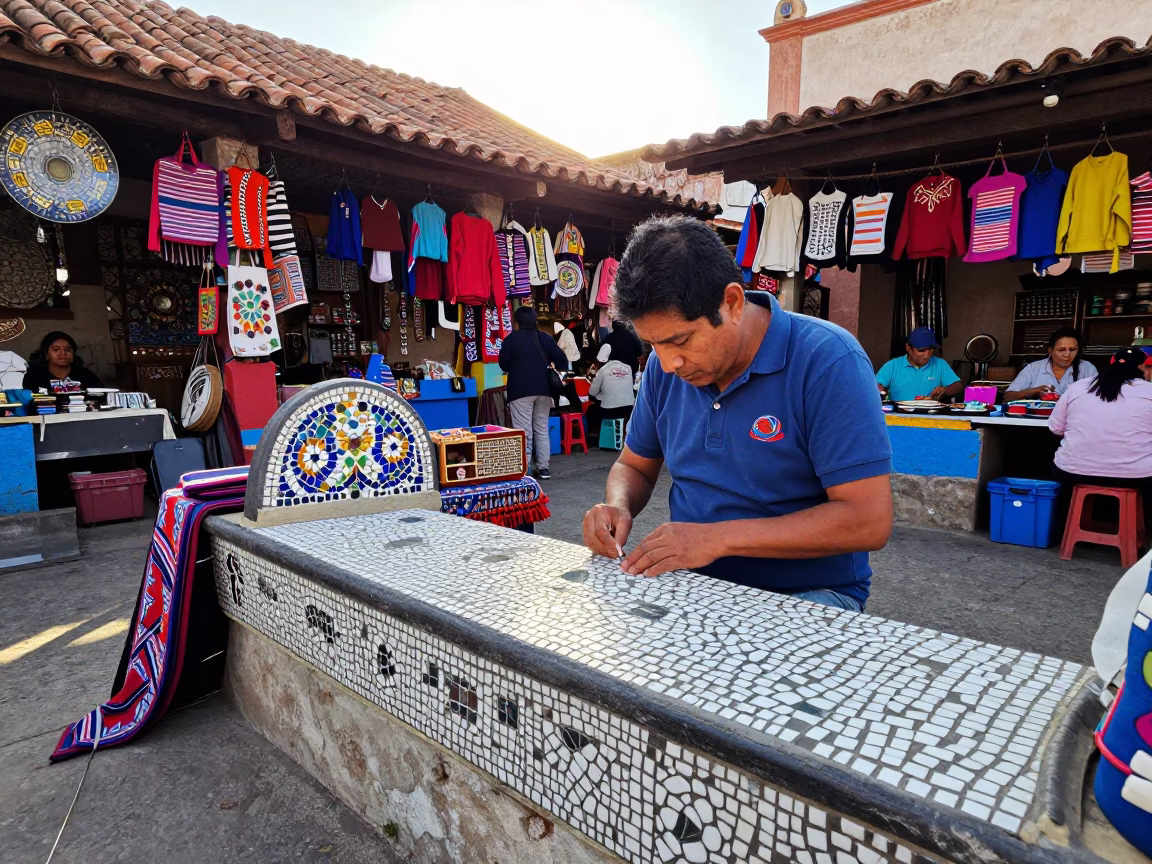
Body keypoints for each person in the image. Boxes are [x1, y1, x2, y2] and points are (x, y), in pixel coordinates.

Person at [581, 215, 893, 612]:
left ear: (731, 303)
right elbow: (635, 466)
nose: (669, 361)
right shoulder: (664, 368)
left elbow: (868, 519)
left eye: (680, 340)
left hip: (809, 595)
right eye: (651, 344)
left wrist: (715, 539)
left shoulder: (827, 360)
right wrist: (618, 504)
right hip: (692, 584)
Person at [1048, 346, 1152, 491]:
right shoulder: (1149, 391)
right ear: (1145, 369)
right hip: (1138, 476)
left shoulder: (1077, 387)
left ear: (1111, 364)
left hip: (1072, 472)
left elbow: (1056, 428)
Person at [498, 306, 569, 480]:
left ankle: (525, 468)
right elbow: (562, 359)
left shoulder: (511, 339)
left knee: (523, 431)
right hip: (544, 390)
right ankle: (544, 468)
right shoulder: (545, 337)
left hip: (520, 390)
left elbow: (503, 365)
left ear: (517, 322)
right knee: (541, 428)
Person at [1004, 326, 1097, 401]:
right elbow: (1008, 396)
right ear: (1050, 350)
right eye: (1061, 349)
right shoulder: (1033, 368)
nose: (1067, 354)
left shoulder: (1088, 368)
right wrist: (1037, 390)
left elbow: (1099, 399)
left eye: (1072, 350)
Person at [874, 327, 962, 402]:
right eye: (921, 350)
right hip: (900, 416)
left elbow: (958, 386)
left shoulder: (940, 364)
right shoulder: (892, 366)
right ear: (908, 348)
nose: (927, 355)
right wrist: (878, 389)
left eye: (931, 349)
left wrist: (945, 390)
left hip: (932, 417)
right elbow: (876, 387)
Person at [585, 344, 635, 447]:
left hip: (611, 410)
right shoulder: (628, 368)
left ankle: (598, 436)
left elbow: (592, 392)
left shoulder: (603, 370)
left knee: (591, 410)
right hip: (629, 409)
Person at [22, 331, 102, 390]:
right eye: (56, 349)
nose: (62, 353)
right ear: (46, 354)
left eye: (67, 350)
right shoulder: (33, 375)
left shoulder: (85, 375)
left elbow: (102, 397)